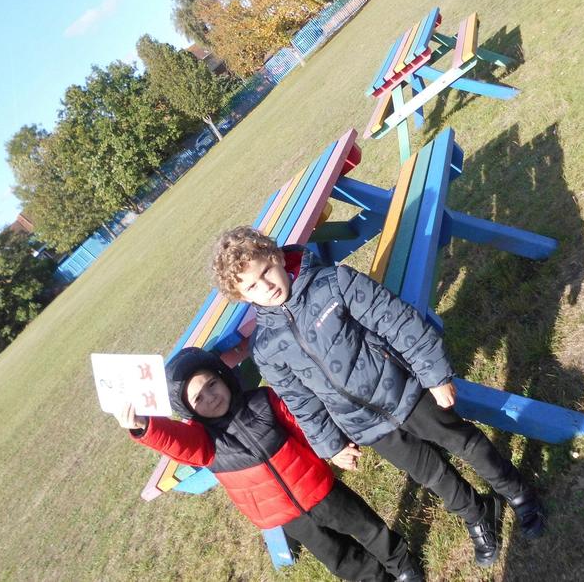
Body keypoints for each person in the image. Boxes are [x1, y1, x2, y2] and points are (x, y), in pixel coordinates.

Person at [211, 227, 546, 568]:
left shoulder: (334, 283)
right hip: (364, 424)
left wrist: (434, 374)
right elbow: (301, 402)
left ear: (278, 257)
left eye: (266, 271)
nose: (266, 287)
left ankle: (516, 491)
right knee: (429, 472)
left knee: (464, 442)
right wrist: (331, 445)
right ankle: (477, 513)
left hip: (405, 390)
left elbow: (397, 321)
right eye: (252, 286)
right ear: (242, 296)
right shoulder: (266, 348)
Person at [116, 346, 423, 582]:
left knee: (366, 526)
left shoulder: (262, 401)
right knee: (339, 557)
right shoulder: (203, 443)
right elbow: (174, 440)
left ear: (223, 378)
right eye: (198, 398)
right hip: (284, 514)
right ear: (188, 409)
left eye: (211, 384)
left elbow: (303, 426)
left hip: (319, 487)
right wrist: (144, 426)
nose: (210, 397)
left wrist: (333, 448)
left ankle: (402, 564)